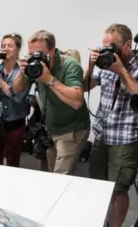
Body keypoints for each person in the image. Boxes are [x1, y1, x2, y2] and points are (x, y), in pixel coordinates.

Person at [82, 23, 138, 227]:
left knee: (119, 188)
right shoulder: (104, 62)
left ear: (127, 44)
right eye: (104, 46)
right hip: (103, 133)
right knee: (99, 186)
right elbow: (84, 86)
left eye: (112, 46)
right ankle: (98, 226)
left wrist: (121, 70)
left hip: (126, 136)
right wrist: (91, 64)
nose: (107, 50)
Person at [14, 30, 90, 175]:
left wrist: (48, 79)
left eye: (40, 54)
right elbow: (17, 89)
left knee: (61, 177)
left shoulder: (69, 65)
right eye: (32, 54)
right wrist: (21, 72)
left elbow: (77, 101)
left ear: (52, 51)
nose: (36, 58)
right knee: (52, 174)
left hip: (72, 129)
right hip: (52, 130)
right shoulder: (34, 65)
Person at [0, 33, 29, 167]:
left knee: (12, 162)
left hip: (14, 124)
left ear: (18, 49)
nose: (5, 49)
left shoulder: (24, 72)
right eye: (3, 46)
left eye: (10, 46)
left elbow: (19, 97)